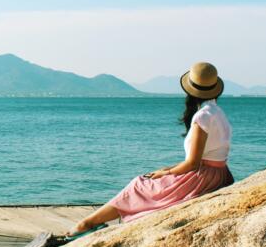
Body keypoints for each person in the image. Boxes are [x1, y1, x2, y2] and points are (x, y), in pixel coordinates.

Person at [67, 61, 234, 237]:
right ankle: (90, 222)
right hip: (219, 174)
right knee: (150, 180)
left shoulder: (202, 116)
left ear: (191, 90)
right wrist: (168, 170)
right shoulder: (218, 113)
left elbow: (193, 163)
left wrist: (165, 174)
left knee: (138, 184)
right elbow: (204, 157)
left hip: (201, 177)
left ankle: (86, 223)